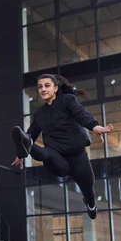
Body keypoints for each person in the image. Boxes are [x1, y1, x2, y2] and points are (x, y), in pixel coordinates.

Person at [11, 74, 114, 219]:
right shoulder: (40, 114)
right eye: (40, 87)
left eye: (47, 86)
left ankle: (90, 204)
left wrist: (94, 126)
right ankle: (29, 147)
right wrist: (21, 154)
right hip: (57, 158)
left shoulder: (68, 101)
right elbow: (31, 133)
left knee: (88, 190)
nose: (43, 89)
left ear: (56, 88)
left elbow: (81, 114)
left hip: (77, 157)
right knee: (44, 152)